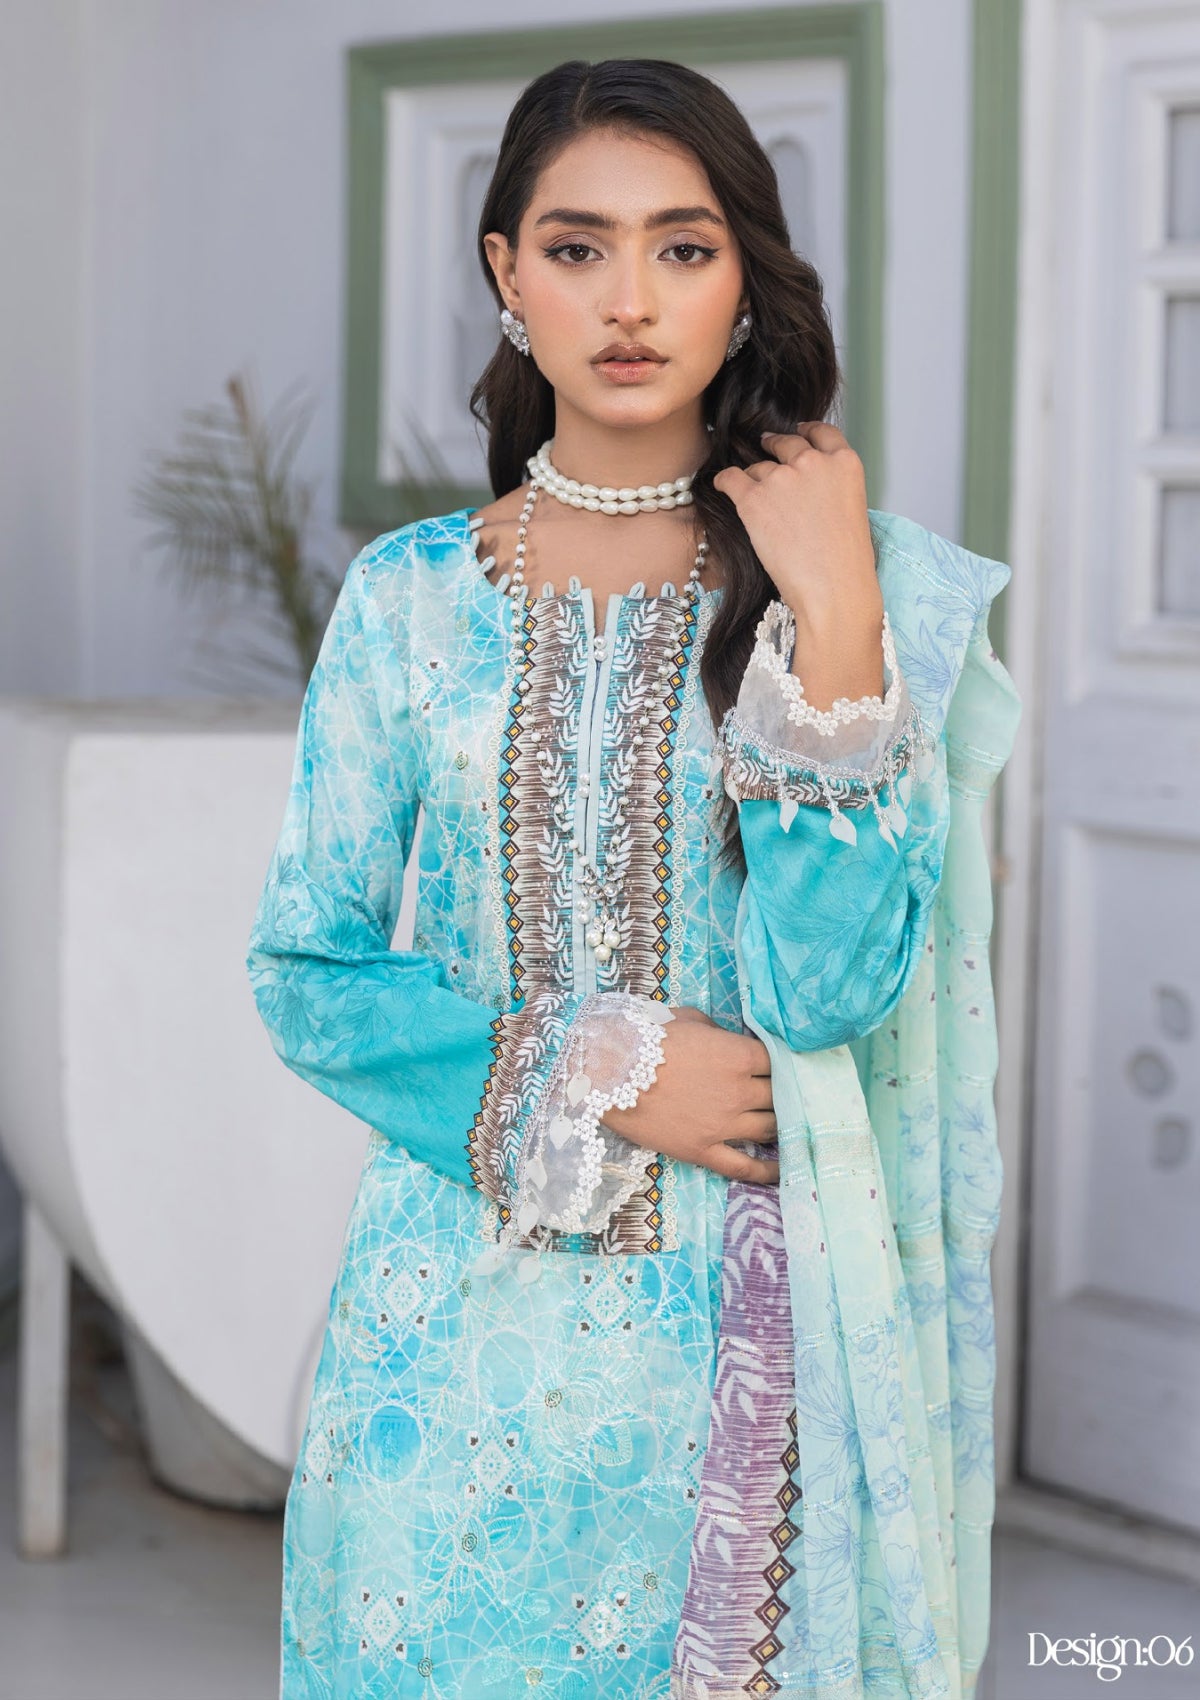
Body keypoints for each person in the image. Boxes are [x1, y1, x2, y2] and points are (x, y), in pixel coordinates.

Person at [246, 57, 1020, 1700]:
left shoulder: (852, 591)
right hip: (440, 1342)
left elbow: (830, 993)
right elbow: (305, 970)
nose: (629, 301)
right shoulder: (407, 600)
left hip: (731, 1349)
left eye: (683, 247)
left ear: (745, 282)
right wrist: (598, 1070)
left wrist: (837, 611)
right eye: (577, 246)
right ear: (505, 272)